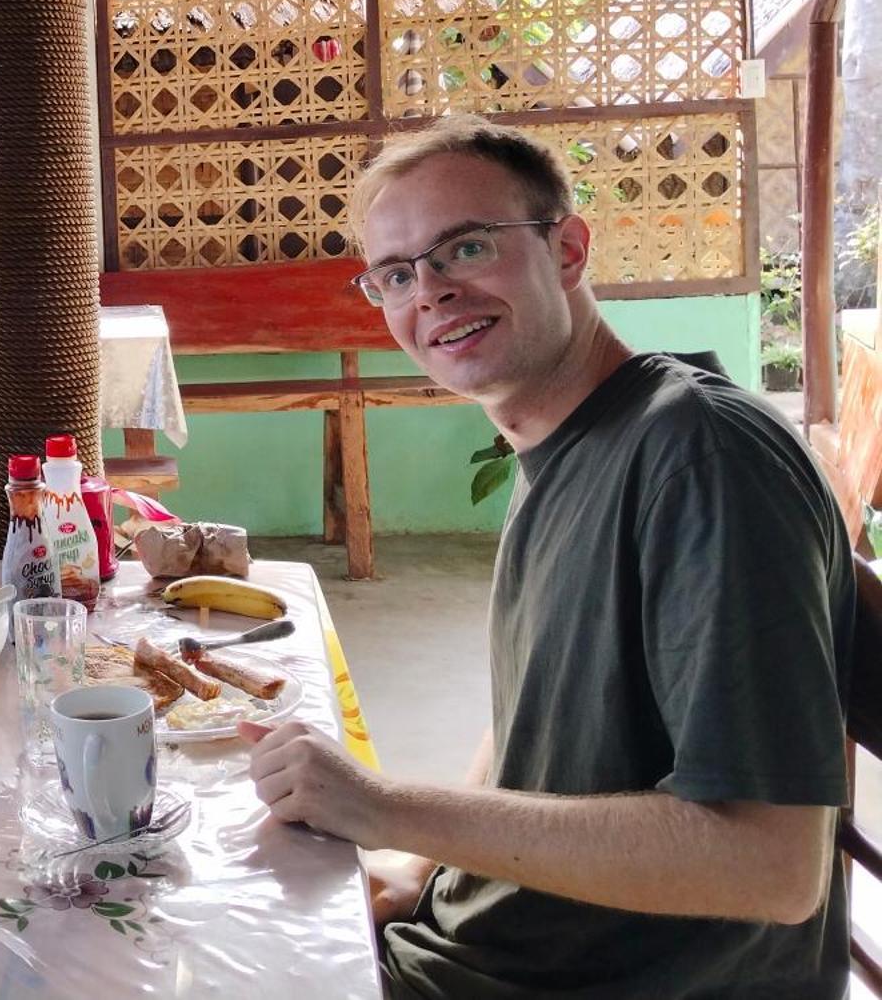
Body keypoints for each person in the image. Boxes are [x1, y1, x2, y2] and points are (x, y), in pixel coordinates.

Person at [236, 114, 853, 997]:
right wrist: (413, 869)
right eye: (399, 274)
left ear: (568, 249)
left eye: (467, 248)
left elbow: (772, 866)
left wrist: (383, 806)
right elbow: (543, 721)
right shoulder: (566, 438)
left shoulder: (699, 457)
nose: (431, 294)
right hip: (488, 946)